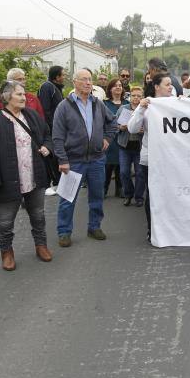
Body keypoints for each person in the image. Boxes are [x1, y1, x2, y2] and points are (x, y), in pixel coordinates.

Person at [0, 80, 53, 270]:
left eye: (24, 94)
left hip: (34, 175)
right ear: (6, 96)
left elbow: (47, 135)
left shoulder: (32, 116)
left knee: (38, 214)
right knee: (5, 221)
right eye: (19, 94)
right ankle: (7, 252)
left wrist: (46, 147)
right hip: (7, 179)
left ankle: (41, 245)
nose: (23, 97)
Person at [52, 68, 117, 247]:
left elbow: (112, 122)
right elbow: (57, 136)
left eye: (90, 80)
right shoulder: (64, 107)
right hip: (73, 160)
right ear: (74, 82)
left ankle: (94, 227)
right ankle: (64, 232)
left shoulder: (97, 103)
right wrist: (62, 160)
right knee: (67, 199)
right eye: (84, 80)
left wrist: (107, 138)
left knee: (97, 196)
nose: (89, 83)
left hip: (96, 159)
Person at [128, 73, 176, 241]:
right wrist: (140, 108)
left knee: (171, 194)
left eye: (171, 84)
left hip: (172, 159)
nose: (171, 87)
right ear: (156, 87)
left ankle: (171, 228)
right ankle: (152, 230)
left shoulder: (176, 104)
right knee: (153, 194)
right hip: (151, 159)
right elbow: (132, 129)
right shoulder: (148, 105)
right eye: (167, 84)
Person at [38, 65, 66, 195]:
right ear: (57, 77)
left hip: (58, 128)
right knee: (52, 156)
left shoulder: (57, 88)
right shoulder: (47, 87)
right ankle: (54, 183)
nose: (64, 77)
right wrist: (51, 128)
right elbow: (45, 110)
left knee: (58, 155)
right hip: (51, 129)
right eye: (63, 75)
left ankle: (59, 182)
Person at [116, 86, 145, 207]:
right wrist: (120, 128)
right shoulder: (123, 108)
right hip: (124, 146)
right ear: (130, 97)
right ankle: (128, 194)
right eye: (134, 96)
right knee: (123, 172)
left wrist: (144, 131)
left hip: (139, 147)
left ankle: (138, 197)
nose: (136, 98)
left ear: (142, 97)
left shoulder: (145, 110)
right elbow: (114, 125)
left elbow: (151, 127)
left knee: (140, 173)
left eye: (139, 96)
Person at [103, 78, 125, 198]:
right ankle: (104, 188)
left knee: (121, 165)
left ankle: (120, 188)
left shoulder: (127, 103)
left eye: (120, 85)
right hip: (109, 138)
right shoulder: (104, 104)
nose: (118, 87)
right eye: (115, 85)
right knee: (108, 164)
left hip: (123, 137)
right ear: (110, 88)